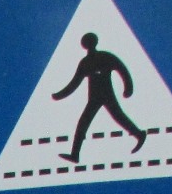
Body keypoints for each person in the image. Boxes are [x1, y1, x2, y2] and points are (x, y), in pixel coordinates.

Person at [52, 32, 146, 162]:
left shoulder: (104, 57)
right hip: (94, 98)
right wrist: (58, 95)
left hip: (106, 94)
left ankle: (139, 134)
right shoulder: (85, 62)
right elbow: (75, 82)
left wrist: (128, 88)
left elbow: (122, 69)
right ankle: (75, 155)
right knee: (86, 122)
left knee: (116, 116)